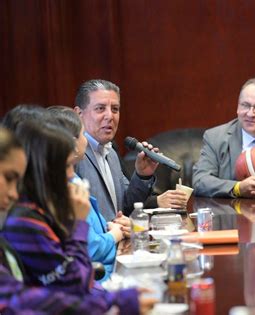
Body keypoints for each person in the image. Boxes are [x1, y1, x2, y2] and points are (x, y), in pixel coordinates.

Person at [0, 125, 155, 314]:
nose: (72, 175)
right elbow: (75, 284)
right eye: (66, 166)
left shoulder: (36, 213)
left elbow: (31, 298)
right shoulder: (23, 222)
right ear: (43, 169)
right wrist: (77, 224)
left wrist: (112, 300)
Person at [74, 79, 187, 221]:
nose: (110, 116)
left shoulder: (111, 152)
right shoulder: (74, 155)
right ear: (79, 114)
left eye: (115, 109)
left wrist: (142, 176)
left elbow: (127, 206)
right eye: (100, 108)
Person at [48, 106, 129, 281]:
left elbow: (93, 227)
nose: (86, 140)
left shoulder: (73, 178)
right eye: (83, 134)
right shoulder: (64, 190)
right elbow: (91, 249)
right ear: (71, 143)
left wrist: (115, 225)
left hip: (110, 266)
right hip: (100, 280)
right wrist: (115, 234)